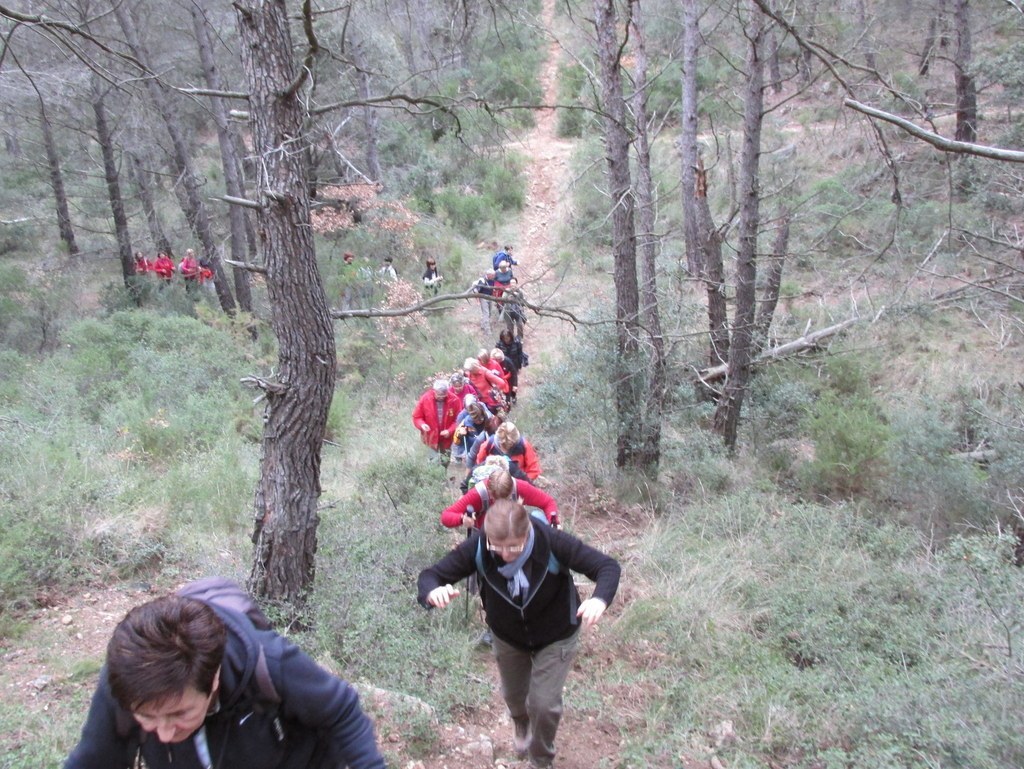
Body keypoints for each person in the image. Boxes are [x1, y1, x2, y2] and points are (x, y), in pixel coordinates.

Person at [63, 587, 386, 769]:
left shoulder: (270, 663)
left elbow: (342, 711)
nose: (162, 733)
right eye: (147, 716)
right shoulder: (127, 680)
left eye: (179, 713)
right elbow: (94, 760)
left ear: (214, 679)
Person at [418, 498, 620, 769]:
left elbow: (606, 567)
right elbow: (431, 575)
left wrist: (599, 599)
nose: (504, 554)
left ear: (528, 534)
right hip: (508, 636)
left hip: (557, 634)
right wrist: (433, 591)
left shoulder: (550, 541)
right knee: (515, 696)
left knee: (544, 704)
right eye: (497, 546)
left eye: (514, 546)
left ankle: (540, 760)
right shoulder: (480, 545)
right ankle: (520, 723)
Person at [441, 468, 559, 531]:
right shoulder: (478, 493)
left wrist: (553, 523)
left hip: (515, 532)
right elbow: (446, 516)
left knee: (537, 516)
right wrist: (462, 519)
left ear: (511, 490)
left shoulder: (520, 487)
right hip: (485, 535)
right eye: (496, 498)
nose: (500, 503)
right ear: (489, 491)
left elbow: (548, 502)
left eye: (505, 498)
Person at [411, 378, 461, 469]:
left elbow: (458, 420)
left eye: (443, 395)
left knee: (445, 461)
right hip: (431, 437)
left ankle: (443, 479)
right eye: (438, 395)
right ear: (434, 391)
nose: (441, 397)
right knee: (432, 462)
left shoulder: (454, 400)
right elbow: (417, 417)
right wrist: (422, 425)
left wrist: (449, 431)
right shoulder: (425, 398)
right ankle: (433, 480)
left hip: (446, 439)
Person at [472, 421, 542, 482]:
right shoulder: (488, 445)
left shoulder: (524, 445)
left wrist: (524, 484)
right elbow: (479, 467)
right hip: (493, 485)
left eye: (510, 445)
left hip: (518, 483)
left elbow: (533, 469)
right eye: (503, 445)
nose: (506, 449)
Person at [472, 270, 497, 334]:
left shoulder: (492, 280)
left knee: (489, 313)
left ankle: (483, 325)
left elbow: (493, 289)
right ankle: (487, 331)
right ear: (489, 275)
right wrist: (478, 300)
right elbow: (477, 291)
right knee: (486, 313)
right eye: (492, 275)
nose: (494, 276)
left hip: (490, 297)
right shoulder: (482, 281)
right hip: (483, 298)